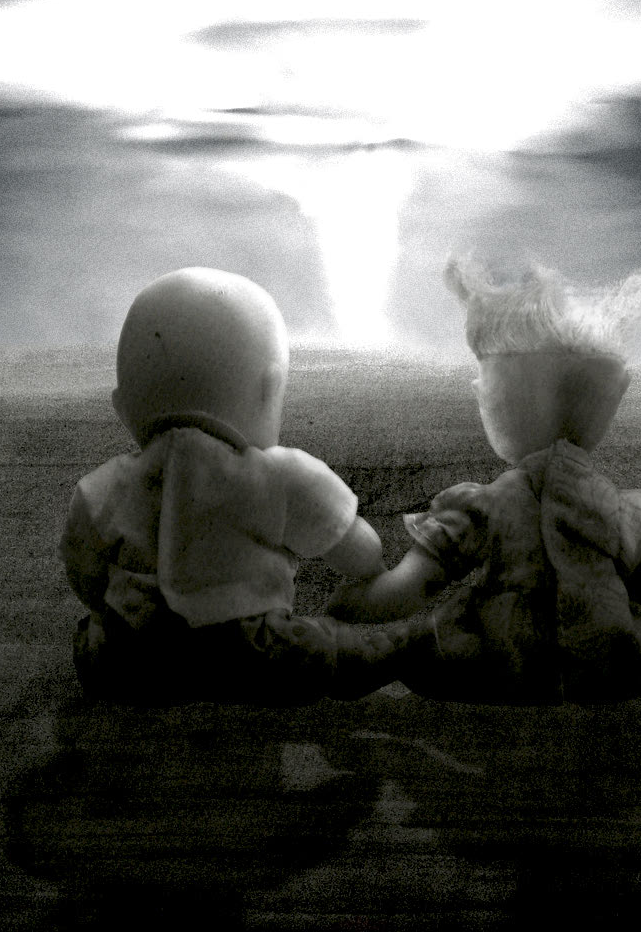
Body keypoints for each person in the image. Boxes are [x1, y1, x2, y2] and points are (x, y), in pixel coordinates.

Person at [60, 267, 439, 704]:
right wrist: (372, 571)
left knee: (97, 647)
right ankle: (399, 650)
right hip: (247, 648)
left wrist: (112, 614)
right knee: (320, 647)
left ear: (122, 407)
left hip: (136, 655)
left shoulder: (101, 487)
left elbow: (84, 573)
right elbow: (356, 546)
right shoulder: (278, 474)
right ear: (270, 389)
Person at [327, 256, 641, 704]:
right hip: (606, 668)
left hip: (498, 662)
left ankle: (348, 661)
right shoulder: (628, 510)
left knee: (412, 644)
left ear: (493, 401)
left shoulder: (484, 506)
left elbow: (410, 589)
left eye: (484, 383)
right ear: (610, 402)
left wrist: (352, 601)